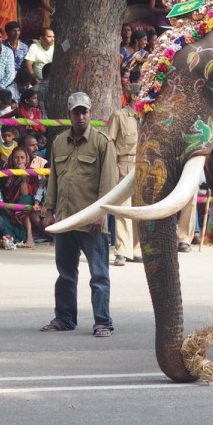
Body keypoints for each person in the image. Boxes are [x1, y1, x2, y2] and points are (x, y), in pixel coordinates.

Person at [41, 92, 118, 336]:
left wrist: (100, 215)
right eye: (77, 111)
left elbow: (108, 183)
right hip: (65, 220)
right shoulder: (59, 142)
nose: (81, 116)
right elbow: (53, 178)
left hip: (91, 221)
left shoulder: (102, 142)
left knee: (98, 276)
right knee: (65, 274)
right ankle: (64, 318)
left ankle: (103, 322)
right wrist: (49, 208)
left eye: (84, 111)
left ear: (91, 113)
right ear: (69, 114)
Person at [107, 83, 141, 266]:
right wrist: (114, 166)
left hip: (143, 164)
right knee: (122, 209)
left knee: (138, 209)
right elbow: (110, 143)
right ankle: (122, 250)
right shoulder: (119, 116)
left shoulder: (146, 116)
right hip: (124, 163)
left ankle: (136, 249)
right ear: (134, 97)